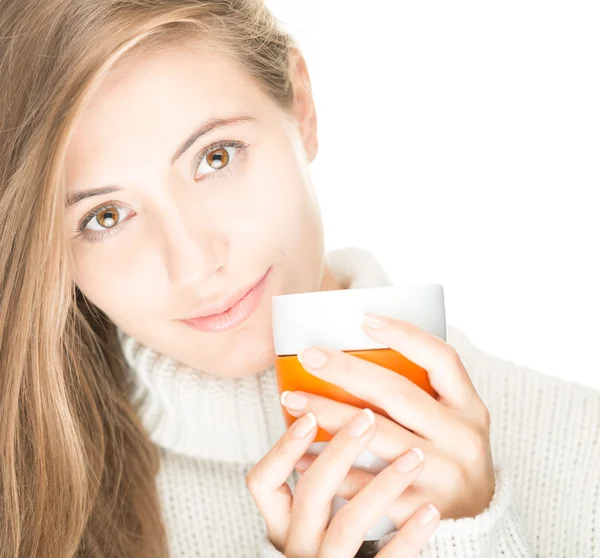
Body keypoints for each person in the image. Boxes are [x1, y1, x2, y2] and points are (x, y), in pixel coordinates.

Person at [0, 1, 598, 557]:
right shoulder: (26, 502)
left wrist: (469, 537)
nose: (193, 264)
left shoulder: (581, 445)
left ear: (302, 109)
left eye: (216, 156)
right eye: (105, 217)